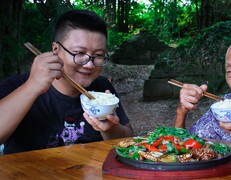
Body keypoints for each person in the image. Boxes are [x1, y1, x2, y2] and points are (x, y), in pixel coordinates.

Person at [0, 10, 134, 154]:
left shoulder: (102, 89)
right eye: (79, 53)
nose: (89, 65)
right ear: (56, 49)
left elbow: (128, 144)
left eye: (99, 55)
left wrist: (111, 128)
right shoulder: (17, 86)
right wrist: (32, 87)